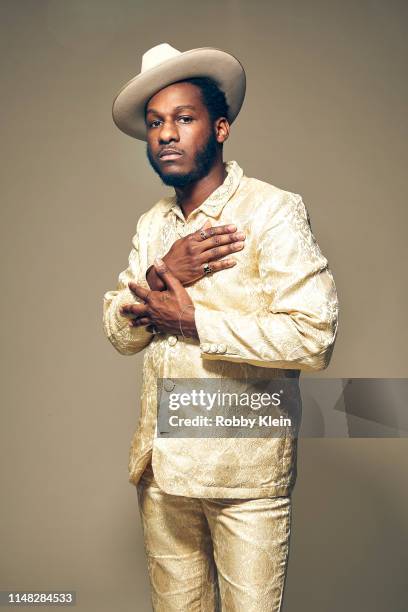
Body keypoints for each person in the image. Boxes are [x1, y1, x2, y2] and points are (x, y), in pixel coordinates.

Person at [103, 42, 339, 612]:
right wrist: (165, 273)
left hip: (243, 474)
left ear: (222, 127)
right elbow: (119, 331)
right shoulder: (153, 223)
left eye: (184, 119)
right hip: (162, 473)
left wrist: (193, 320)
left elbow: (314, 336)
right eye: (156, 123)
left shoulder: (271, 210)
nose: (166, 134)